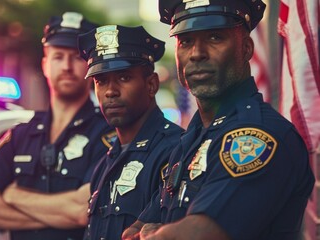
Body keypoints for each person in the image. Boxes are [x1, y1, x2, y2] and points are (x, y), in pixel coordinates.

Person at [122, 0, 315, 239]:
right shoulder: (191, 139)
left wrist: (159, 233)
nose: (197, 54)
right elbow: (134, 230)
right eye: (186, 41)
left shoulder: (259, 136)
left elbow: (202, 234)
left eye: (215, 38)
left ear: (246, 48)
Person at [0, 12, 116, 240]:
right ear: (45, 65)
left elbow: (81, 211)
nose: (66, 66)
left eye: (76, 57)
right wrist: (57, 217)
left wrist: (13, 196)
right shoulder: (21, 133)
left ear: (90, 66)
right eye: (58, 57)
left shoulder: (108, 134)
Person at [77, 25, 185, 240]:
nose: (110, 91)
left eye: (124, 78)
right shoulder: (106, 162)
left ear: (151, 84)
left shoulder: (176, 150)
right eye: (101, 81)